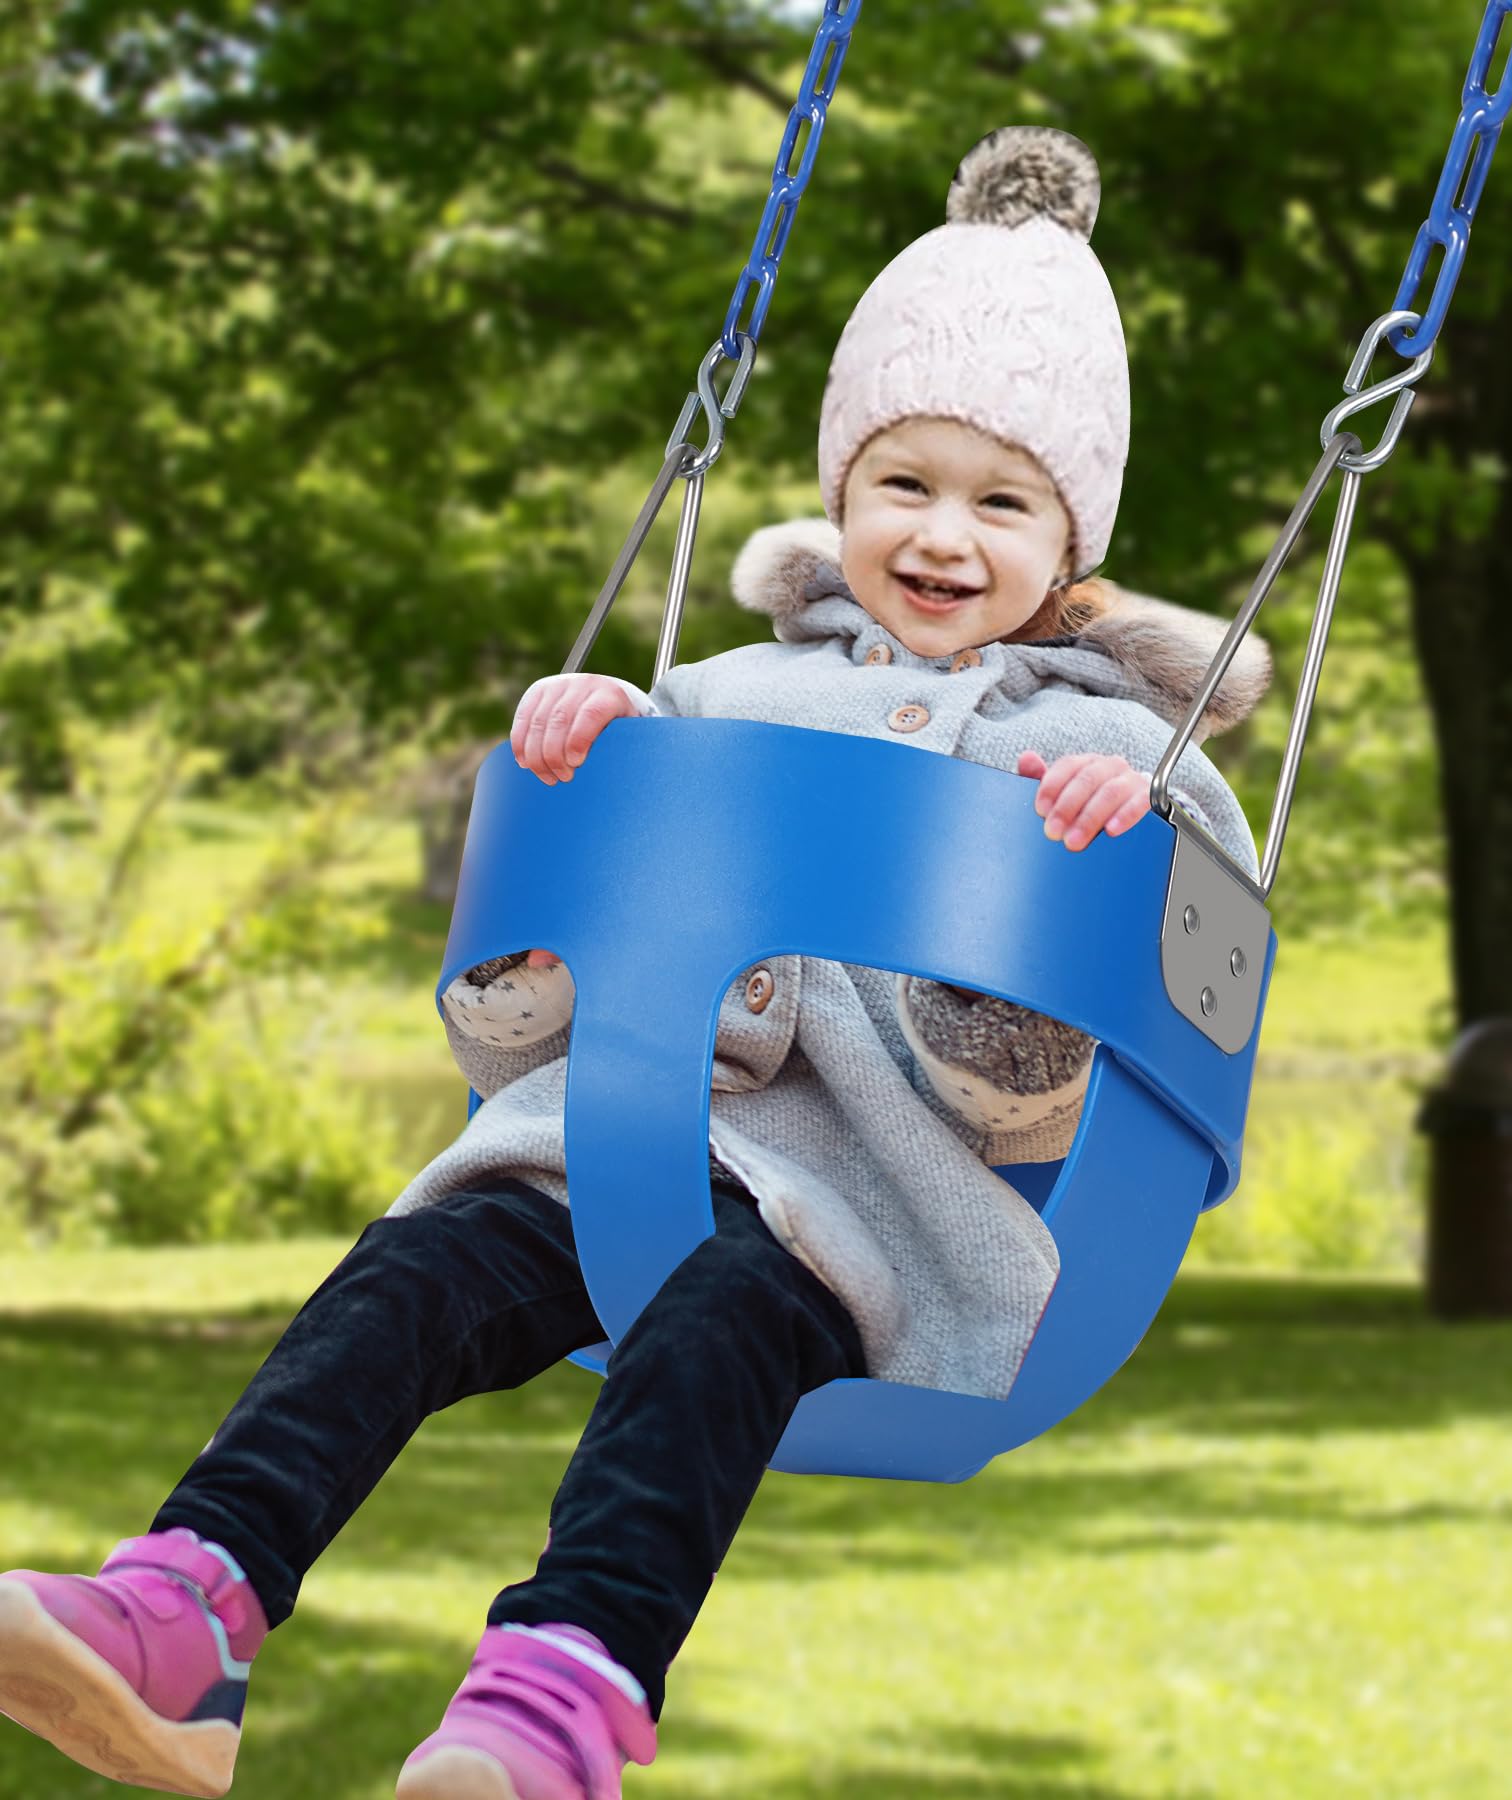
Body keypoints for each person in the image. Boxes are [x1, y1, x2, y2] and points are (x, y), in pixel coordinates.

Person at [0, 126, 1271, 1800]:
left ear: (1070, 546)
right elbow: (537, 988)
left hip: (888, 1207)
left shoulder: (1121, 746)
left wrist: (1106, 843)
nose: (945, 533)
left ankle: (559, 1703)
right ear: (838, 497)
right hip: (620, 1141)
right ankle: (192, 1604)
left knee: (720, 1324)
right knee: (417, 1269)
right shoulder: (729, 692)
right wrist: (593, 761)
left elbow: (1131, 1020)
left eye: (1002, 500)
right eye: (905, 482)